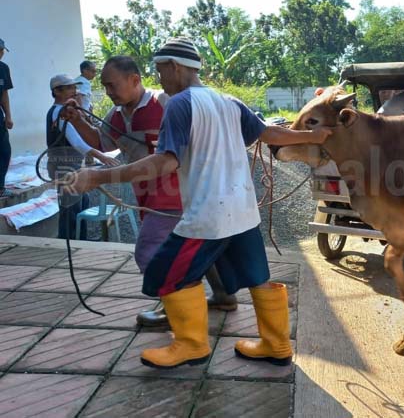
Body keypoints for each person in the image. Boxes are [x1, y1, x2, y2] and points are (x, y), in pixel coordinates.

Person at [63, 37, 332, 369]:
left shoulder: (178, 104)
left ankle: (191, 344)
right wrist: (313, 137)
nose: (159, 79)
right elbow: (269, 134)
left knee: (163, 272)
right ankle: (276, 344)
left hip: (208, 215)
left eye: (161, 71)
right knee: (257, 277)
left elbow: (164, 163)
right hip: (243, 211)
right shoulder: (230, 102)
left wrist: (97, 177)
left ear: (175, 67)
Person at [62, 55, 238, 326]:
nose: (108, 92)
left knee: (151, 252)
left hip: (178, 192)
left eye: (112, 85)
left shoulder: (166, 103)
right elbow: (104, 143)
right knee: (196, 245)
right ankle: (223, 295)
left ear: (134, 80)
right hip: (151, 194)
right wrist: (76, 121)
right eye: (105, 86)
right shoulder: (116, 116)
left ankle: (180, 312)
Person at [46, 74, 117, 239]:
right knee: (70, 208)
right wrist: (102, 156)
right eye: (69, 88)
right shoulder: (59, 113)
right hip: (65, 166)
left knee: (81, 203)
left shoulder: (69, 111)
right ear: (57, 91)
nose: (74, 91)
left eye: (74, 87)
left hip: (73, 165)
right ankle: (69, 243)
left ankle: (80, 239)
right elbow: (77, 142)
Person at [0, 39, 14, 198]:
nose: (2, 53)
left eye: (2, 50)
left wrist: (8, 116)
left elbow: (4, 94)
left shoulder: (3, 68)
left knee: (4, 150)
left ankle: (0, 187)